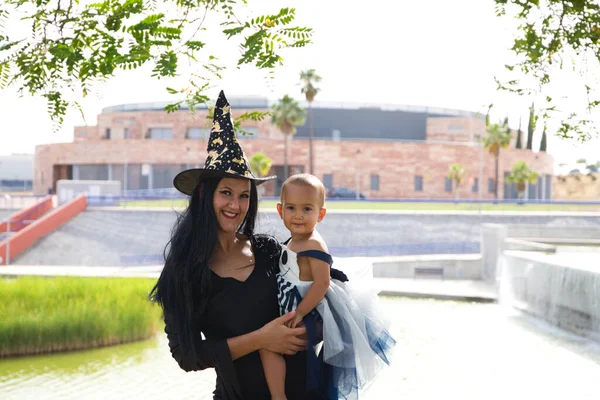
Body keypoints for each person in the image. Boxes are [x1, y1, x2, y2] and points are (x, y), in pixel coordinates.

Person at [150, 91, 312, 400]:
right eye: (226, 192)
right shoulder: (183, 272)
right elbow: (188, 356)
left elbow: (312, 287)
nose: (235, 205)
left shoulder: (268, 251)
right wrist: (262, 339)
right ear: (203, 195)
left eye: (244, 195)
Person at [260, 174, 396, 400]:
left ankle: (279, 396)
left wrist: (301, 312)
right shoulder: (291, 242)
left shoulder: (314, 244)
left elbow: (322, 283)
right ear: (280, 210)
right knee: (269, 346)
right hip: (289, 308)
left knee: (271, 348)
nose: (298, 216)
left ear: (320, 214)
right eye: (291, 208)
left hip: (304, 313)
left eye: (307, 209)